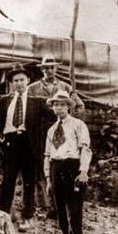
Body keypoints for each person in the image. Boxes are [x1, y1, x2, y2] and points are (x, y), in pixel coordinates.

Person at [28, 55, 85, 218]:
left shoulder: (65, 87)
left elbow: (80, 106)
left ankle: (63, 205)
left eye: (52, 67)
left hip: (65, 133)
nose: (49, 70)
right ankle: (46, 205)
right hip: (42, 132)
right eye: (46, 68)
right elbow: (29, 112)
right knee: (44, 167)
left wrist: (72, 123)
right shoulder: (33, 88)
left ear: (56, 69)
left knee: (63, 167)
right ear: (42, 69)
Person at [43, 90, 91, 234]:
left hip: (73, 169)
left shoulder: (78, 125)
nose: (59, 108)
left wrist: (83, 171)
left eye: (62, 104)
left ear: (69, 107)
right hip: (56, 169)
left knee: (75, 213)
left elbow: (85, 149)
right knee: (61, 214)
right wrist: (48, 179)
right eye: (56, 104)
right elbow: (47, 155)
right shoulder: (51, 130)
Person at [0, 64, 38, 221]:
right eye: (15, 80)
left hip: (28, 143)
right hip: (10, 143)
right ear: (12, 83)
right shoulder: (5, 101)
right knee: (8, 178)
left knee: (29, 180)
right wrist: (0, 139)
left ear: (28, 80)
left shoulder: (36, 102)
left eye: (22, 80)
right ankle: (3, 213)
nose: (19, 83)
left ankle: (27, 214)